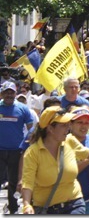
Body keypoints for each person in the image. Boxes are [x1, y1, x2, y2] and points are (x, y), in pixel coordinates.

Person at [21, 106, 89, 214]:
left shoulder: (69, 140)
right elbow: (27, 182)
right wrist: (27, 205)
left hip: (74, 204)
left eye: (68, 124)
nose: (68, 128)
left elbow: (85, 152)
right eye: (63, 125)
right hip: (46, 208)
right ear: (50, 128)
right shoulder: (33, 152)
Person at [0, 82, 34, 214]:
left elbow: (31, 129)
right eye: (6, 92)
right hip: (0, 150)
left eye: (11, 92)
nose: (9, 95)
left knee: (14, 181)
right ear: (2, 94)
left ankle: (13, 208)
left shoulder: (23, 109)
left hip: (16, 151)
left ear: (15, 93)